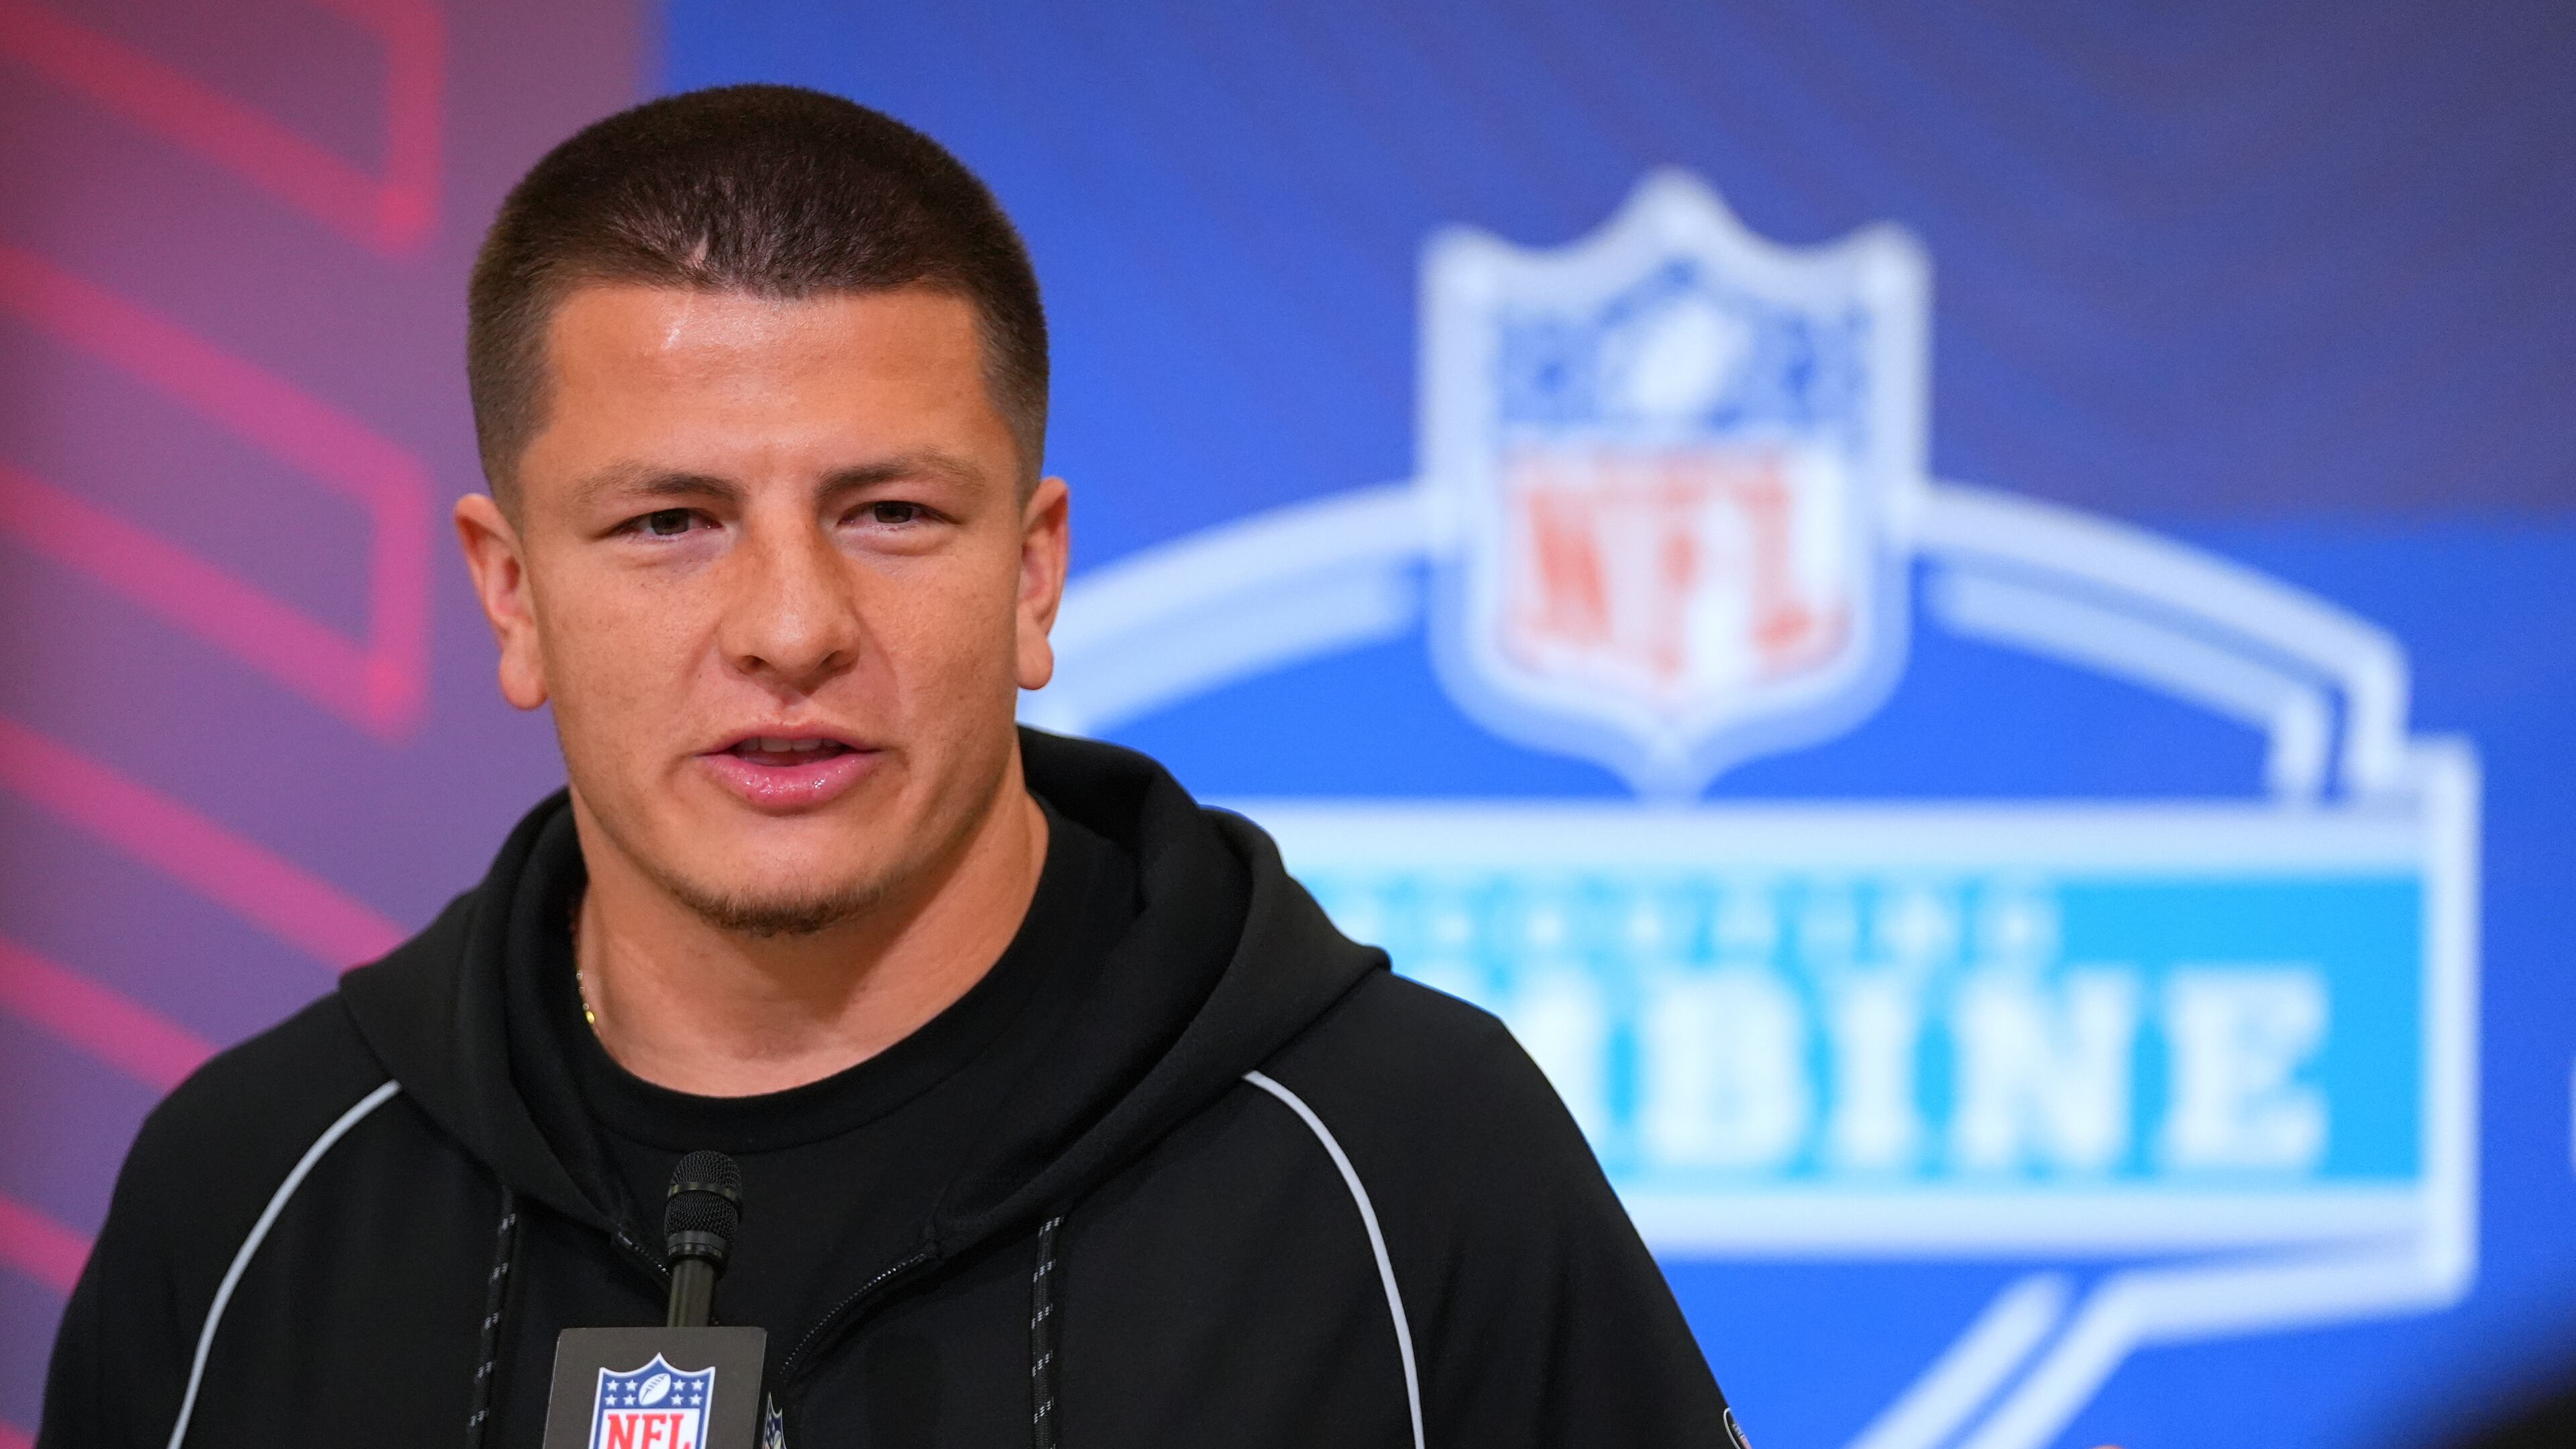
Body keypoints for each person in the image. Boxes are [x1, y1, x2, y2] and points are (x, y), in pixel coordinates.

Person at [38, 85, 1743, 1449]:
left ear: (1033, 572)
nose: (792, 626)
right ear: (511, 594)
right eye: (668, 523)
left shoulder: (1412, 1163)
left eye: (892, 514)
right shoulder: (254, 1193)